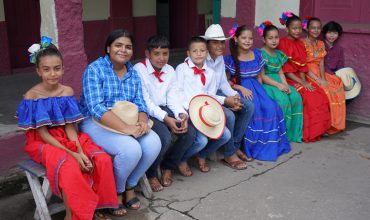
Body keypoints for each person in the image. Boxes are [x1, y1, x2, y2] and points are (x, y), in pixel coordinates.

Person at [17, 37, 118, 220]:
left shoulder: (67, 92)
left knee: (101, 159)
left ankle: (96, 208)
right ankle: (73, 215)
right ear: (38, 71)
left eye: (57, 68)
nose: (53, 74)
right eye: (46, 69)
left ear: (63, 68)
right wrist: (74, 155)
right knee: (69, 165)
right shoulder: (32, 96)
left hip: (67, 136)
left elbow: (71, 128)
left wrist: (80, 150)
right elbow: (43, 134)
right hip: (43, 142)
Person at [79, 29, 161, 214]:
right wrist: (127, 129)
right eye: (118, 45)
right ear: (108, 48)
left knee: (154, 143)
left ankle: (129, 186)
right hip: (96, 122)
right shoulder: (94, 69)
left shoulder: (132, 73)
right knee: (131, 150)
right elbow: (96, 107)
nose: (123, 50)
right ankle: (116, 190)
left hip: (129, 121)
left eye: (128, 47)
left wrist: (141, 123)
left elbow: (140, 103)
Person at [133, 35, 196, 191]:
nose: (162, 58)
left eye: (165, 54)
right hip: (146, 111)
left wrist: (180, 114)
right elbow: (145, 102)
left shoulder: (170, 70)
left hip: (164, 108)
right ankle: (152, 173)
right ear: (148, 53)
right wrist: (166, 118)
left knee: (189, 132)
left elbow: (172, 97)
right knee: (164, 138)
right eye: (157, 54)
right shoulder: (138, 70)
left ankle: (168, 165)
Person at [224, 25, 291, 161]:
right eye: (244, 38)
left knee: (271, 108)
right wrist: (241, 89)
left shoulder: (257, 54)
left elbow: (260, 76)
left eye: (250, 38)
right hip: (240, 89)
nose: (248, 41)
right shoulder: (230, 59)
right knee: (256, 111)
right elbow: (226, 82)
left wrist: (262, 95)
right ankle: (252, 147)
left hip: (257, 89)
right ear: (236, 39)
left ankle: (270, 144)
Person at [202, 24, 254, 169]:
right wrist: (226, 100)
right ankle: (229, 154)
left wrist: (234, 95)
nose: (219, 45)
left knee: (249, 106)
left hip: (217, 94)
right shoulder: (201, 59)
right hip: (204, 98)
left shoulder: (219, 59)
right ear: (207, 44)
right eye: (215, 42)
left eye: (221, 42)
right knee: (229, 115)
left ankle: (235, 146)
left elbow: (223, 83)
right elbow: (204, 92)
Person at [176, 36, 231, 172]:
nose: (199, 54)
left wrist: (218, 104)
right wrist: (189, 109)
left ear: (207, 53)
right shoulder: (182, 69)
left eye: (202, 51)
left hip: (204, 112)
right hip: (188, 110)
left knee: (225, 135)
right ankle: (182, 159)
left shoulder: (211, 73)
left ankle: (201, 155)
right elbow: (178, 92)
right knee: (202, 141)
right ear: (188, 53)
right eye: (195, 51)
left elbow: (211, 96)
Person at [277, 12, 331, 142]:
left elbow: (302, 66)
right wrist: (302, 83)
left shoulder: (300, 43)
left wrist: (305, 81)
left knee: (319, 94)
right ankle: (307, 132)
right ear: (287, 29)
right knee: (310, 97)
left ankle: (319, 130)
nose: (297, 31)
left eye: (299, 28)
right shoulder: (283, 43)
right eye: (294, 28)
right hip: (288, 78)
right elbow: (286, 70)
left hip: (299, 78)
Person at [258, 21, 303, 142]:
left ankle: (292, 134)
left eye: (276, 37)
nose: (274, 41)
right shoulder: (260, 54)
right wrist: (278, 85)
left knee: (295, 96)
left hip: (279, 82)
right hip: (268, 83)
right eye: (270, 38)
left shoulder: (278, 54)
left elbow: (280, 72)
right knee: (282, 100)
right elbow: (262, 76)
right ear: (264, 39)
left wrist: (286, 85)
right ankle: (279, 136)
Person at [302, 17, 346, 134]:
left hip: (319, 71)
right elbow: (304, 65)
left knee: (336, 87)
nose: (316, 30)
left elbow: (321, 62)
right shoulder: (302, 43)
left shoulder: (320, 43)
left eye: (318, 28)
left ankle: (335, 124)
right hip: (308, 72)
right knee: (326, 90)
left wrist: (322, 78)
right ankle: (327, 125)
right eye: (313, 28)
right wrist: (318, 80)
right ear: (307, 29)